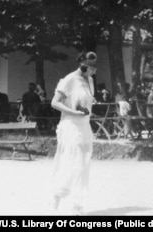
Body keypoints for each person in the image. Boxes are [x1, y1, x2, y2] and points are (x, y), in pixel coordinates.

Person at [50, 51, 97, 215]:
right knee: (73, 164)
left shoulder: (90, 80)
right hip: (71, 126)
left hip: (84, 126)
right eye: (91, 67)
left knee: (84, 164)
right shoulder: (69, 79)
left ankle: (77, 206)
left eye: (94, 67)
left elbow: (86, 99)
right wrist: (72, 112)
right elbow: (55, 103)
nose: (93, 71)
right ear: (82, 65)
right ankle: (58, 194)